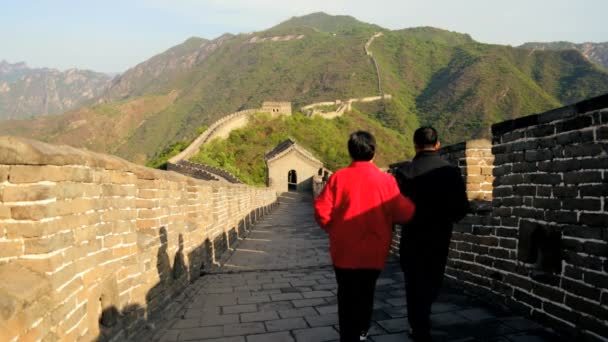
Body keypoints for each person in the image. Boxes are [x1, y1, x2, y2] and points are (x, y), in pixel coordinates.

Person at [314, 130, 416, 342]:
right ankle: (362, 330)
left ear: (350, 152)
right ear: (374, 152)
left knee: (346, 294)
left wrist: (335, 229)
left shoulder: (338, 178)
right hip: (374, 251)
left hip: (343, 251)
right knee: (367, 291)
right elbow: (404, 213)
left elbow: (322, 211)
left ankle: (348, 335)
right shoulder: (386, 180)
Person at [394, 127, 469, 342]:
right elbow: (462, 208)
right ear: (437, 145)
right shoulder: (451, 172)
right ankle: (422, 317)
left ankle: (418, 324)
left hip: (412, 237)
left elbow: (395, 208)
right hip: (439, 237)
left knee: (413, 281)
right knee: (433, 279)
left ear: (415, 145)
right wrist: (445, 220)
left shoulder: (404, 172)